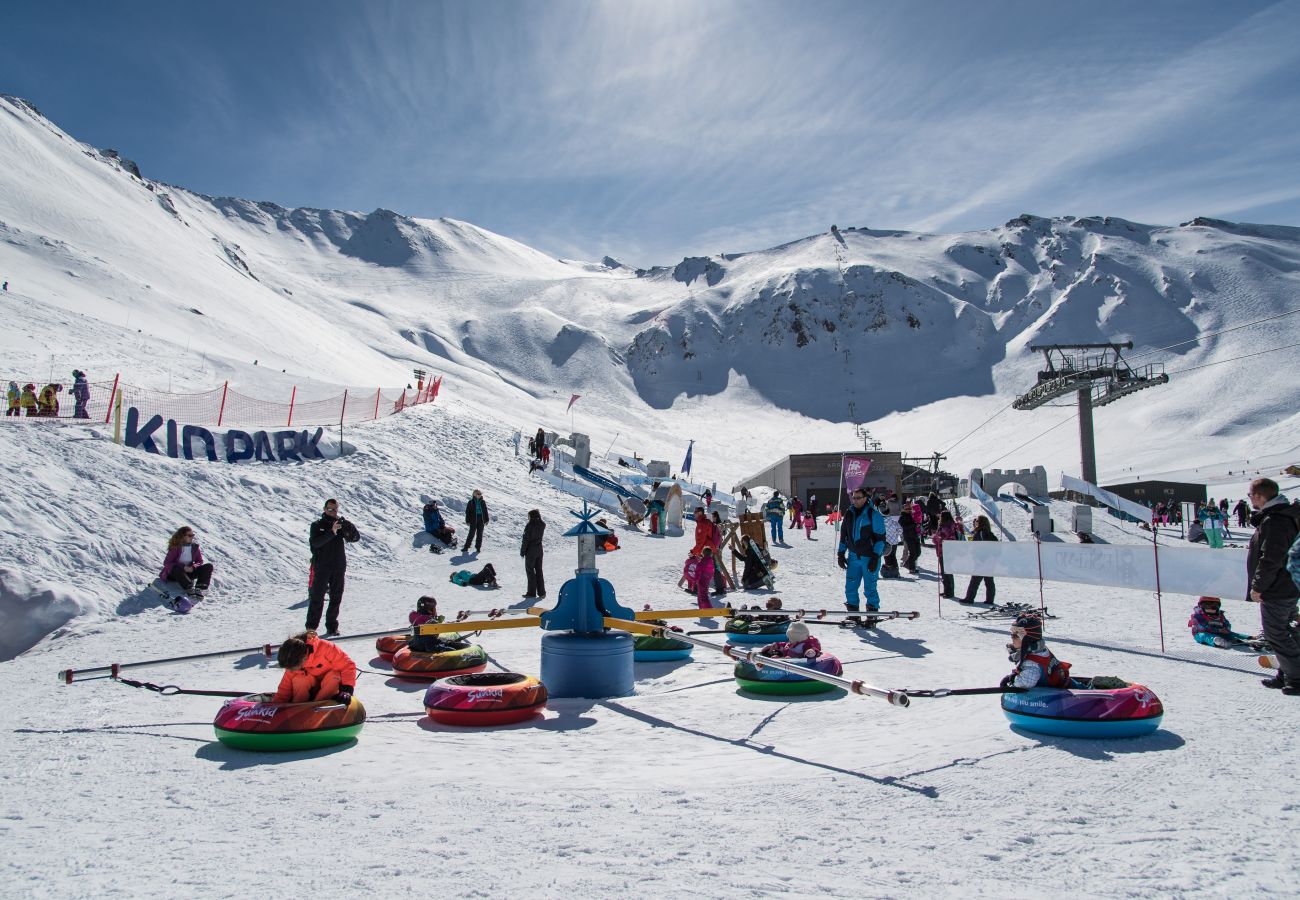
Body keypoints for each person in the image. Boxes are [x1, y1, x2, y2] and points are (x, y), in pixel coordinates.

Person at [1245, 478, 1300, 693]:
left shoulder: (1275, 520)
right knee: (1287, 630)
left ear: (1260, 496)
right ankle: (1286, 673)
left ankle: (1296, 678)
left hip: (1278, 587)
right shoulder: (1281, 515)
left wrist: (1258, 586)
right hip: (1287, 585)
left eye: (1251, 495)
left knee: (1276, 633)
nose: (1249, 499)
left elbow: (1271, 559)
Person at [307, 498, 360, 637]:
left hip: (338, 566)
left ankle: (332, 626)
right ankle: (311, 628)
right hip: (322, 566)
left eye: (335, 510)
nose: (332, 512)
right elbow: (316, 543)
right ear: (324, 509)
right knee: (317, 598)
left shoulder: (340, 524)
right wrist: (332, 532)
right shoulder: (317, 525)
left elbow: (355, 538)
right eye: (330, 509)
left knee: (336, 597)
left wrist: (348, 526)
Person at [272, 632, 356, 704]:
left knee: (334, 676)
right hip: (309, 692)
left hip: (329, 689)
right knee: (300, 680)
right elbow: (284, 690)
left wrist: (347, 690)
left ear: (303, 658)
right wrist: (275, 707)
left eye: (293, 668)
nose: (291, 670)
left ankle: (320, 706)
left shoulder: (325, 647)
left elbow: (347, 665)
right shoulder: (292, 663)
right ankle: (297, 708)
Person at [837, 488, 886, 614]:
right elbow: (844, 535)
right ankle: (853, 614)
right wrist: (841, 554)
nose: (855, 500)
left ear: (865, 498)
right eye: (854, 498)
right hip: (853, 557)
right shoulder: (849, 513)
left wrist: (875, 557)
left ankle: (872, 614)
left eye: (858, 498)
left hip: (869, 558)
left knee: (870, 587)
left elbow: (880, 539)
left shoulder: (873, 514)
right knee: (850, 586)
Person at [1001, 612, 1071, 689]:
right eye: (1012, 634)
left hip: (1060, 694)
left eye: (1015, 636)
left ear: (1028, 639)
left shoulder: (1031, 662)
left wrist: (1013, 679)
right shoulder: (1040, 649)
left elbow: (1025, 683)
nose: (1012, 638)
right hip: (1063, 681)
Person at [159, 526, 214, 599]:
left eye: (192, 535)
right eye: (190, 535)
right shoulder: (175, 547)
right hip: (174, 574)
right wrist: (183, 567)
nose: (192, 537)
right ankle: (189, 588)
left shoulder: (194, 547)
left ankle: (199, 588)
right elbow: (167, 563)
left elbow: (199, 561)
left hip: (187, 574)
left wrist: (193, 567)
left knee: (208, 566)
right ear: (183, 536)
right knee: (175, 568)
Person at [959, 515, 997, 604]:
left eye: (976, 520)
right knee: (989, 581)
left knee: (975, 580)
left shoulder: (981, 533)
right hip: (989, 561)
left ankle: (969, 598)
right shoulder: (988, 533)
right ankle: (990, 600)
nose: (974, 522)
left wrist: (979, 557)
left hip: (981, 560)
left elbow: (980, 547)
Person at [1188, 596, 1254, 648]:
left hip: (1219, 633)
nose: (1210, 609)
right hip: (1200, 634)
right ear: (1201, 606)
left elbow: (1227, 624)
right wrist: (1219, 630)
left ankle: (1250, 638)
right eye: (1206, 605)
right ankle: (1217, 641)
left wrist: (1226, 629)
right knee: (1204, 635)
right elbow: (1202, 628)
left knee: (1231, 634)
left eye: (1214, 606)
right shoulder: (1198, 616)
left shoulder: (1220, 615)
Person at [692, 507, 726, 597]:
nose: (694, 514)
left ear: (699, 513)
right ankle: (720, 589)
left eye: (695, 512)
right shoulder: (704, 522)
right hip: (711, 548)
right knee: (713, 568)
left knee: (702, 568)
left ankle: (697, 590)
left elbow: (701, 541)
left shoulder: (702, 523)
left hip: (707, 549)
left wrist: (693, 551)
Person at [933, 510, 961, 599]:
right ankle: (948, 590)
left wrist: (935, 537)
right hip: (948, 551)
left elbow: (942, 538)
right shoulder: (951, 525)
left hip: (944, 550)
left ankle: (949, 592)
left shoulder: (945, 527)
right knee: (947, 572)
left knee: (945, 572)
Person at [521, 508, 546, 599]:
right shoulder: (542, 524)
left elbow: (526, 540)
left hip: (531, 551)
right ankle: (542, 592)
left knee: (530, 571)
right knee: (539, 570)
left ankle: (531, 592)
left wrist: (522, 551)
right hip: (539, 549)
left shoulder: (529, 525)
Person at [899, 499, 921, 573]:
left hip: (914, 535)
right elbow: (904, 527)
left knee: (918, 552)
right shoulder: (902, 517)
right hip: (908, 537)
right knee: (913, 552)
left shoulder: (910, 515)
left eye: (910, 508)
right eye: (907, 509)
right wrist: (914, 525)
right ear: (903, 509)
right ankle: (912, 568)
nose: (909, 510)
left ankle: (907, 563)